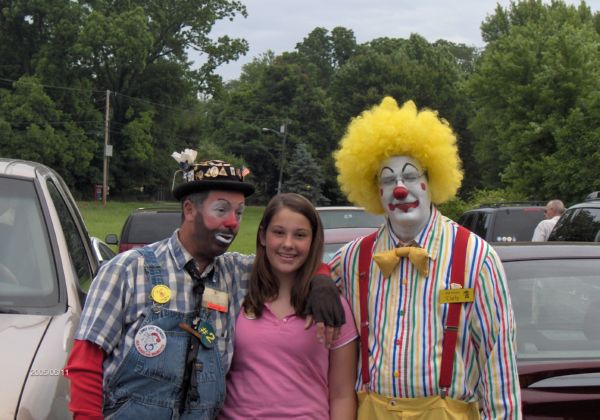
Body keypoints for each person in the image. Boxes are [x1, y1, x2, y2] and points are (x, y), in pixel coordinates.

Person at [64, 155, 345, 419]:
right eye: (221, 210)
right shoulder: (127, 270)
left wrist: (321, 279)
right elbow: (85, 363)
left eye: (239, 212)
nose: (232, 223)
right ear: (189, 209)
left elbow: (287, 256)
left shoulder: (236, 273)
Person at [328, 97, 522, 419]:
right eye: (388, 180)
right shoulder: (352, 259)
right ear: (375, 192)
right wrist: (321, 281)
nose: (400, 189)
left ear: (430, 182)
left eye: (409, 175)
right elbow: (303, 278)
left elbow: (498, 359)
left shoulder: (476, 258)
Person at [219, 193, 358, 419]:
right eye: (279, 232)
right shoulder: (238, 289)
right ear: (263, 236)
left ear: (313, 241)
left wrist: (322, 277)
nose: (288, 244)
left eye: (300, 235)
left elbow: (342, 394)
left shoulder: (331, 304)